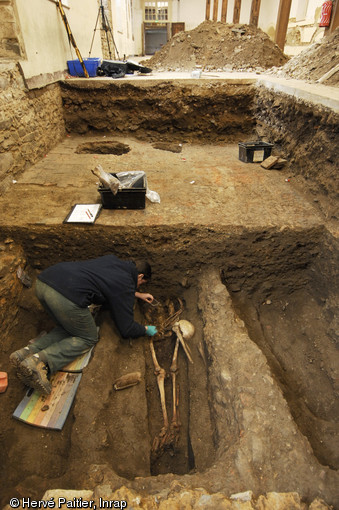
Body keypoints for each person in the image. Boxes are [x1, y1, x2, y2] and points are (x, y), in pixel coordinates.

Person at [10, 255, 158, 395]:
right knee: (88, 337)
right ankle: (40, 362)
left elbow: (111, 284)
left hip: (44, 283)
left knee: (70, 327)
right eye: (141, 284)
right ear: (140, 276)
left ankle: (25, 353)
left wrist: (136, 294)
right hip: (64, 297)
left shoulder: (114, 261)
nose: (139, 287)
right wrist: (145, 329)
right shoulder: (126, 282)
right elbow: (127, 329)